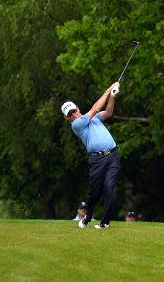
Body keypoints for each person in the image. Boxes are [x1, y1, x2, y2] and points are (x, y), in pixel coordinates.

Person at [62, 82, 121, 230]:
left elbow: (107, 113)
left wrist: (112, 96)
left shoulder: (93, 118)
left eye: (74, 110)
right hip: (97, 160)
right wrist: (108, 90)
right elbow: (95, 108)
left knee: (110, 188)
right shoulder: (76, 125)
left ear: (78, 108)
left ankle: (105, 222)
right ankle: (87, 218)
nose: (74, 114)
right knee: (94, 192)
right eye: (70, 114)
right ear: (67, 118)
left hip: (113, 155)